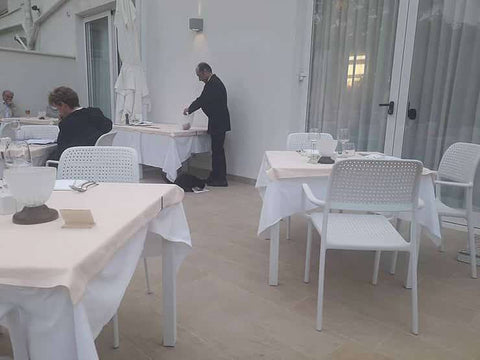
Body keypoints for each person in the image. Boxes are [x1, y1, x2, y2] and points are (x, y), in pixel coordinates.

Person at [183, 63, 231, 187]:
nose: (199, 79)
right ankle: (216, 176)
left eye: (199, 75)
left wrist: (189, 109)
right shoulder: (213, 83)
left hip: (218, 123)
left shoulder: (213, 84)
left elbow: (202, 100)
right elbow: (204, 100)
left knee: (217, 152)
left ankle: (220, 179)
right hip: (218, 122)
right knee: (216, 151)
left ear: (205, 72)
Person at [48, 86, 112, 160]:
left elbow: (62, 150)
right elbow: (108, 125)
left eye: (57, 108)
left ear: (63, 105)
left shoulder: (68, 124)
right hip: (96, 159)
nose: (58, 112)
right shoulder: (95, 113)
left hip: (76, 163)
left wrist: (63, 122)